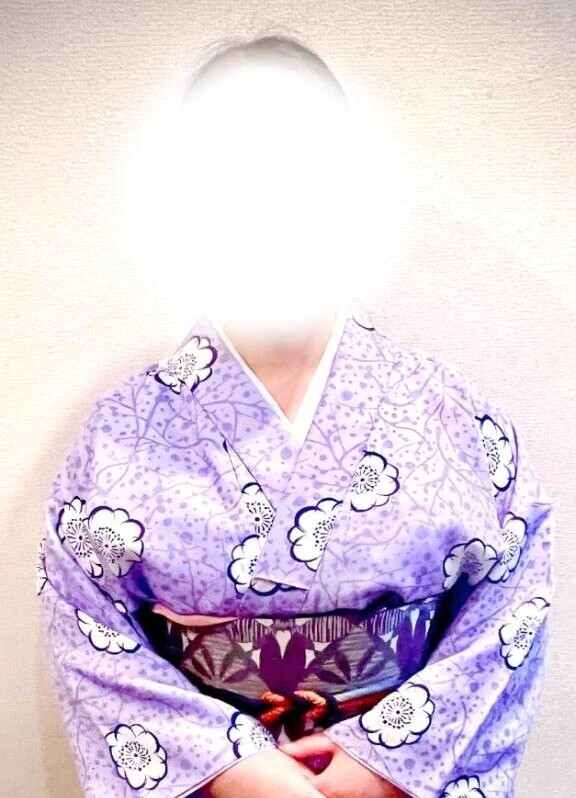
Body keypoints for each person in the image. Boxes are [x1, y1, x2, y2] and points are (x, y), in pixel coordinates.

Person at [36, 33, 555, 798]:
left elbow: (510, 606)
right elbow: (90, 636)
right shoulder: (121, 436)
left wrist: (383, 761)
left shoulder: (451, 416)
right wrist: (230, 767)